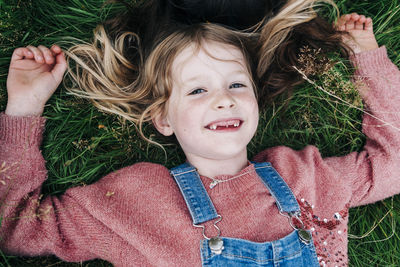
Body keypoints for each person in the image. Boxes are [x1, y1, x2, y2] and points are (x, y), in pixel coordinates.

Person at [0, 2, 399, 266]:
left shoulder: (306, 179)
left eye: (237, 85)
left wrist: (367, 58)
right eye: (197, 90)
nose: (224, 100)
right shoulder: (136, 202)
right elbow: (18, 227)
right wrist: (24, 107)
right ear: (163, 118)